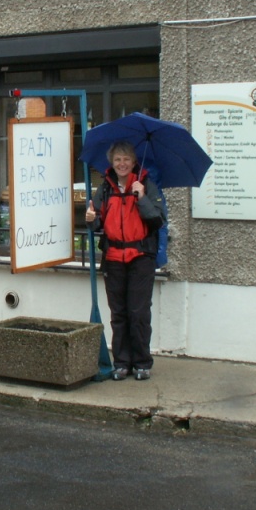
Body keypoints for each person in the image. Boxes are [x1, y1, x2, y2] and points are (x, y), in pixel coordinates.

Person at [85, 141, 166, 381]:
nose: (122, 164)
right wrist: (90, 218)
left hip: (140, 258)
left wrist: (142, 197)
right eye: (118, 159)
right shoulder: (106, 188)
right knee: (118, 313)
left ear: (133, 162)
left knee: (138, 312)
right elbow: (97, 222)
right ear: (112, 162)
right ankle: (121, 363)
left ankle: (141, 363)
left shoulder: (146, 185)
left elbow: (157, 220)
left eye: (126, 159)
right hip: (113, 258)